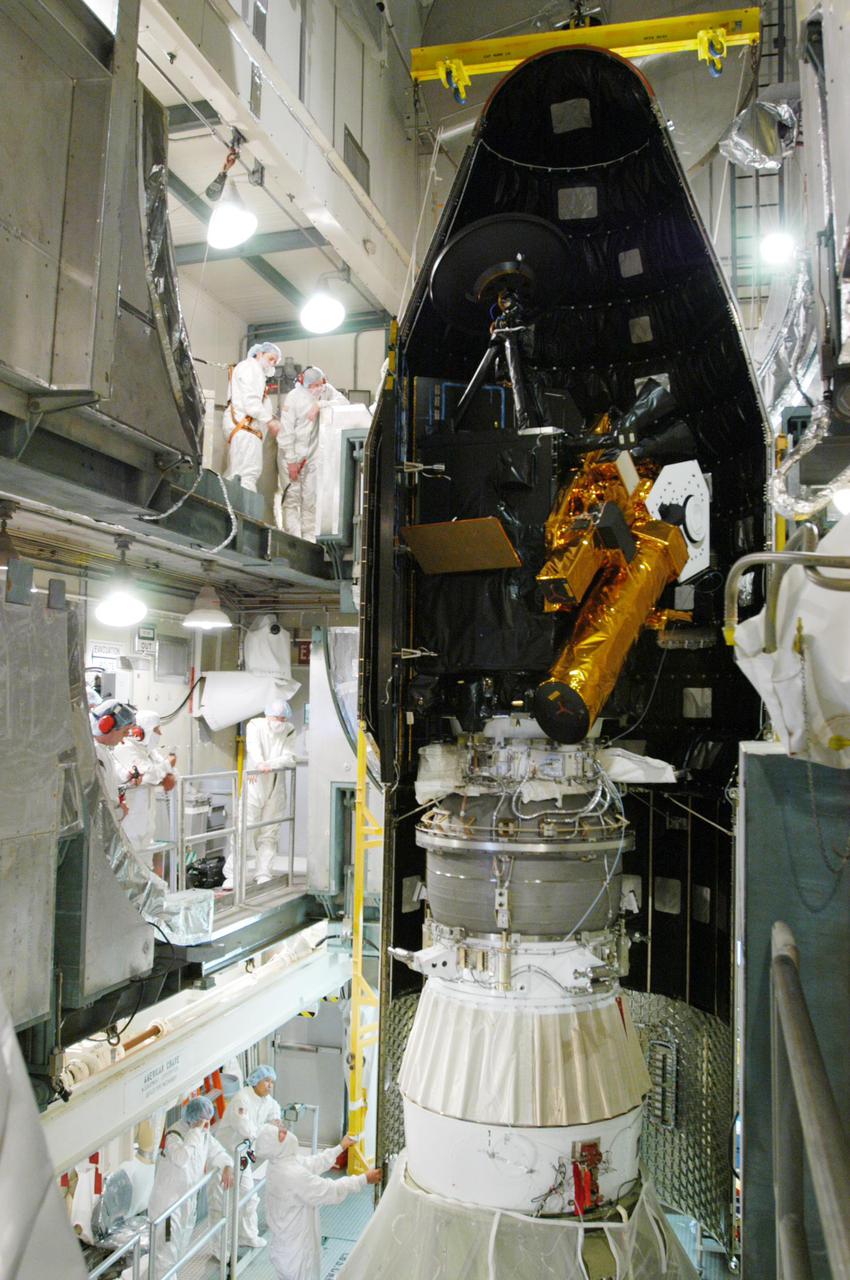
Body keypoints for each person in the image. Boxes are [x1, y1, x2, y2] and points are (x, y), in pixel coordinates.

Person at [254, 1124, 382, 1280]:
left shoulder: (281, 1163)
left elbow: (312, 1163)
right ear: (276, 1146)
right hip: (297, 1257)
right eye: (279, 1133)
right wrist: (363, 1179)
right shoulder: (290, 1174)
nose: (284, 1130)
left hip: (288, 1249)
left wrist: (340, 1147)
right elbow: (330, 1190)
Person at [145, 1096, 233, 1278]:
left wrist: (227, 1166)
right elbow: (181, 1159)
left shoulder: (203, 1134)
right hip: (169, 1209)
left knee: (178, 1252)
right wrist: (194, 1132)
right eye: (203, 1121)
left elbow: (217, 1152)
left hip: (188, 1203)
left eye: (208, 1121)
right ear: (193, 1119)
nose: (206, 1125)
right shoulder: (174, 1135)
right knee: (166, 1253)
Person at [222, 699, 297, 889]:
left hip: (275, 784)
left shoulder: (289, 730)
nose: (279, 722)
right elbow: (254, 749)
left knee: (270, 832)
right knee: (243, 829)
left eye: (282, 718)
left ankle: (263, 872)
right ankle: (234, 875)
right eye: (276, 718)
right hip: (254, 782)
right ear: (267, 715)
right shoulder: (255, 725)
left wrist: (269, 765)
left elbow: (290, 758)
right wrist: (258, 765)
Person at [208, 1064, 282, 1253]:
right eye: (266, 1081)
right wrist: (265, 1129)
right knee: (220, 1203)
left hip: (242, 1157)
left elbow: (275, 1116)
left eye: (272, 1082)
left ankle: (246, 1236)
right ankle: (219, 1249)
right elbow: (246, 1129)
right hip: (224, 1157)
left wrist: (273, 1125)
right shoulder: (242, 1099)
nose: (269, 1085)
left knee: (249, 1196)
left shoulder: (266, 1101)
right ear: (256, 1081)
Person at [275, 366, 348, 541]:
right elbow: (286, 433)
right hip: (290, 455)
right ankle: (292, 539)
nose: (317, 388)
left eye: (319, 384)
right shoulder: (293, 398)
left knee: (311, 499)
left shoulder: (326, 390)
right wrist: (292, 462)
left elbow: (344, 404)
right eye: (313, 386)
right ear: (303, 384)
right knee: (292, 499)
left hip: (313, 457)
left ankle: (309, 540)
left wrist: (320, 404)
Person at [113, 710, 177, 861]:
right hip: (129, 822)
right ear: (141, 731)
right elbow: (146, 774)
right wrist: (167, 766)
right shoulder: (124, 748)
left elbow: (168, 775)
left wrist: (165, 771)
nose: (159, 734)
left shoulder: (149, 751)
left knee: (146, 866)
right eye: (156, 730)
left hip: (146, 824)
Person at [223, 342, 282, 493]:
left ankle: (231, 510)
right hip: (246, 429)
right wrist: (269, 420)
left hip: (243, 429)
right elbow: (251, 402)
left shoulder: (248, 369)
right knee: (247, 474)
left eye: (275, 362)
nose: (272, 364)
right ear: (259, 354)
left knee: (236, 473)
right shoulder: (252, 368)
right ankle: (243, 513)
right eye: (271, 359)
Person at [90, 699, 138, 821]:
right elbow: (96, 805)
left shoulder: (103, 750)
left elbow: (111, 775)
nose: (126, 735)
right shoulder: (94, 753)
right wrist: (120, 812)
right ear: (105, 726)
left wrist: (128, 776)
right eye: (124, 731)